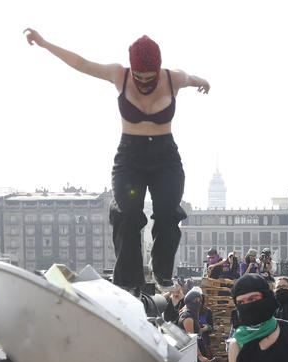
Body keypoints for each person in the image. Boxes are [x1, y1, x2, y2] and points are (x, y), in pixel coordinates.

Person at [23, 29, 210, 288]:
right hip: (130, 158)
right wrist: (44, 43)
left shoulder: (173, 78)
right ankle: (128, 282)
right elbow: (82, 64)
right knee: (128, 216)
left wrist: (203, 81)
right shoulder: (119, 74)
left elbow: (191, 78)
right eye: (138, 76)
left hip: (165, 157)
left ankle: (161, 270)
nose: (143, 82)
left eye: (149, 77)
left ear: (158, 70)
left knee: (168, 213)